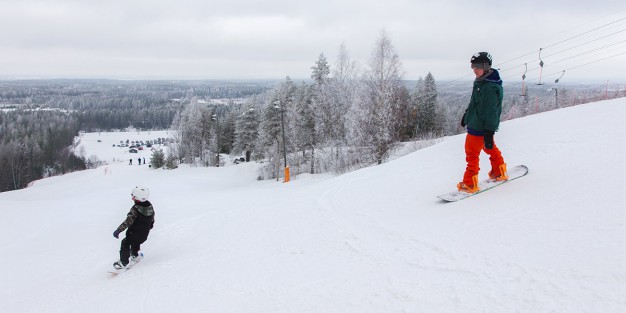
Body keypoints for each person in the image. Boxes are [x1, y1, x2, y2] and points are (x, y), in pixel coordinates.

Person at [458, 52, 508, 193]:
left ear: (486, 66)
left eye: (478, 66)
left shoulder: (490, 87)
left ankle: (470, 183)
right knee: (488, 147)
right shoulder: (481, 81)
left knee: (471, 153)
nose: (475, 69)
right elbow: (475, 103)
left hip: (480, 127)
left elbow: (491, 111)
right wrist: (466, 116)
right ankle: (499, 170)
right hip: (478, 124)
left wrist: (489, 130)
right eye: (473, 66)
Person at [112, 186, 155, 269]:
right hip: (144, 235)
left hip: (134, 233)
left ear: (138, 197)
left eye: (133, 197)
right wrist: (149, 227)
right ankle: (135, 256)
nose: (132, 198)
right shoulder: (150, 206)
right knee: (136, 242)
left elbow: (127, 222)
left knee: (125, 243)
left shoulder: (135, 209)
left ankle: (123, 263)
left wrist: (118, 230)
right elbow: (152, 219)